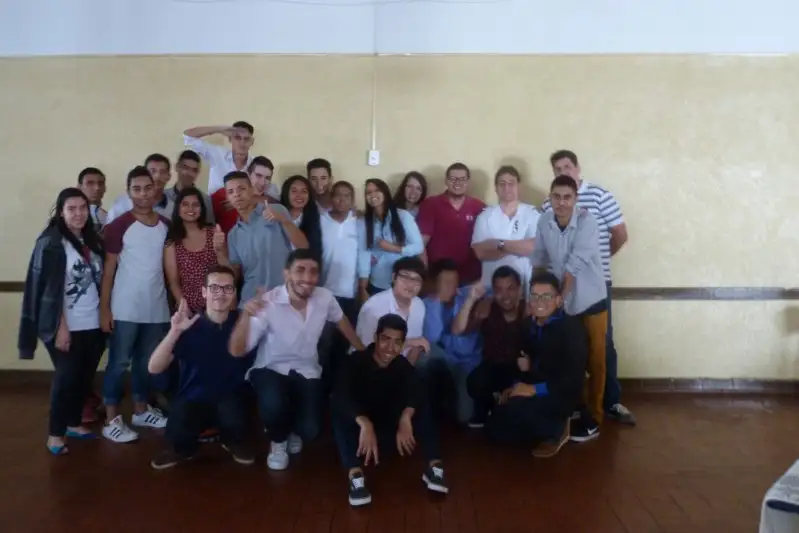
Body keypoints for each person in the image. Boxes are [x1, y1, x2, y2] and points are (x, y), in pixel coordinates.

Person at [228, 249, 364, 471]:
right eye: (300, 270)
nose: (307, 278)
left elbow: (341, 320)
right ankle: (277, 440)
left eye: (313, 272)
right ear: (286, 273)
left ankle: (290, 428)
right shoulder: (268, 302)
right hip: (270, 368)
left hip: (307, 369)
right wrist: (245, 315)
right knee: (273, 404)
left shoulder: (324, 297)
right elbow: (237, 351)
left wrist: (362, 350)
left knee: (310, 430)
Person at [543, 149, 634, 426]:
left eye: (567, 167)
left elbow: (620, 234)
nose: (564, 172)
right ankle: (575, 403)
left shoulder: (600, 195)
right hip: (562, 288)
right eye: (558, 169)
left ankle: (610, 402)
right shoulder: (548, 205)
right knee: (570, 347)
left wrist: (597, 261)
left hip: (596, 284)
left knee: (602, 346)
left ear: (578, 168)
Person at [19, 188, 106, 455]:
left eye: (83, 208)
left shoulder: (92, 239)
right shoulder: (51, 242)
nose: (79, 213)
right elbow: (46, 289)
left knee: (83, 379)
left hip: (93, 322)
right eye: (72, 208)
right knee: (66, 378)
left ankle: (73, 423)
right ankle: (55, 434)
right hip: (65, 325)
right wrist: (61, 327)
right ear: (60, 212)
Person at [332, 313, 448, 507]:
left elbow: (417, 391)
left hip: (389, 433)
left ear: (402, 345)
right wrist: (363, 422)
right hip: (360, 435)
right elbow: (340, 395)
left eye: (397, 342)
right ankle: (355, 476)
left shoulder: (402, 365)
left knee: (423, 404)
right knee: (338, 410)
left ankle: (434, 467)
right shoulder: (355, 361)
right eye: (385, 339)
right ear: (376, 338)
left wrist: (406, 416)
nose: (390, 348)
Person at [148, 266, 255, 469]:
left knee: (236, 417)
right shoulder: (189, 323)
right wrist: (175, 331)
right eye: (214, 288)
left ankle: (232, 441)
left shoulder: (242, 323)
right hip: (192, 396)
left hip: (229, 396)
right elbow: (154, 367)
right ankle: (184, 450)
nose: (220, 294)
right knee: (179, 430)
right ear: (204, 292)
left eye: (227, 288)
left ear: (234, 292)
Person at [532, 175, 608, 441]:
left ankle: (594, 418)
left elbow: (573, 267)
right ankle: (575, 408)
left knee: (596, 361)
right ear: (550, 198)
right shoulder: (544, 221)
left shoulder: (587, 222)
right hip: (562, 303)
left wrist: (556, 301)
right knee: (570, 361)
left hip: (590, 300)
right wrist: (534, 297)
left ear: (575, 199)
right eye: (556, 197)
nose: (561, 202)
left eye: (567, 197)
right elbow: (539, 260)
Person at [100, 166, 170, 443]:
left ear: (155, 189)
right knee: (118, 363)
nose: (143, 194)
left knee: (145, 362)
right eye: (136, 189)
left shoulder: (166, 225)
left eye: (147, 188)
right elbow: (108, 271)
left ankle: (141, 410)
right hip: (125, 307)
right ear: (128, 192)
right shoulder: (118, 226)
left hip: (157, 307)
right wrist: (105, 309)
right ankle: (111, 420)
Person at [485, 272, 588, 458]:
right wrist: (516, 385)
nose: (539, 302)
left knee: (515, 415)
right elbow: (523, 361)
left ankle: (559, 428)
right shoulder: (528, 325)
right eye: (534, 296)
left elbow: (573, 379)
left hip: (559, 392)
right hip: (535, 384)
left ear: (558, 300)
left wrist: (533, 389)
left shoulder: (572, 330)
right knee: (495, 429)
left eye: (546, 296)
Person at [451, 266, 526, 428]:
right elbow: (457, 330)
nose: (505, 296)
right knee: (475, 382)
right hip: (493, 367)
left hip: (522, 369)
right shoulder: (487, 308)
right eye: (499, 290)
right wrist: (471, 300)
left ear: (519, 289)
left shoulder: (528, 310)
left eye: (510, 288)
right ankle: (488, 407)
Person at [221, 171, 308, 304]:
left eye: (241, 189)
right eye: (231, 192)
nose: (237, 194)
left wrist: (284, 220)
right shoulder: (233, 234)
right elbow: (235, 276)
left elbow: (303, 247)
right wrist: (220, 251)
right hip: (251, 302)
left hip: (283, 299)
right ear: (227, 197)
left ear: (251, 190)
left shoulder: (277, 210)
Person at [420, 259, 481, 424]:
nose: (451, 287)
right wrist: (435, 302)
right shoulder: (427, 303)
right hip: (444, 360)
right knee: (424, 354)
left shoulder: (467, 294)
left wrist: (481, 300)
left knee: (464, 416)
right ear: (435, 283)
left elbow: (487, 288)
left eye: (454, 282)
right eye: (446, 282)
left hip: (468, 364)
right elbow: (432, 337)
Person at [318, 181, 361, 393]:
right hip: (325, 293)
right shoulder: (321, 221)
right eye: (338, 195)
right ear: (331, 198)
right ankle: (320, 390)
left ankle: (339, 392)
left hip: (350, 295)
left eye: (347, 195)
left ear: (352, 200)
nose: (342, 200)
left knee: (345, 345)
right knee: (323, 345)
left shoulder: (359, 223)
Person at [471, 165, 539, 297]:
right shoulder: (485, 216)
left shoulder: (532, 214)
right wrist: (519, 248)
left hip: (524, 285)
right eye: (502, 184)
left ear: (519, 186)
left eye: (511, 183)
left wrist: (499, 244)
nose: (507, 188)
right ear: (496, 188)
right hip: (491, 287)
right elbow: (480, 252)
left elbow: (534, 248)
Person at [417, 162, 485, 285]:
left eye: (462, 179)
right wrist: (424, 275)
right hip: (438, 278)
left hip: (471, 278)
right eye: (453, 179)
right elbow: (421, 244)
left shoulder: (479, 207)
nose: (457, 183)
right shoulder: (431, 204)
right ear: (446, 181)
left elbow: (485, 244)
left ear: (468, 182)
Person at [164, 187, 229, 315]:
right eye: (185, 204)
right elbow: (173, 282)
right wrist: (184, 309)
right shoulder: (172, 241)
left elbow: (226, 270)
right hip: (189, 309)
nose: (191, 209)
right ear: (178, 208)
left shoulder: (214, 233)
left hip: (218, 304)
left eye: (195, 205)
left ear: (202, 208)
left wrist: (220, 250)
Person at [355, 257, 429, 364]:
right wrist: (409, 342)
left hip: (400, 366)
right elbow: (368, 348)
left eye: (416, 280)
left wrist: (407, 370)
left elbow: (415, 347)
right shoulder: (374, 307)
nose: (410, 285)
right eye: (405, 277)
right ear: (394, 277)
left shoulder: (419, 305)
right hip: (367, 364)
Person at [357, 178, 423, 299]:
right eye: (368, 192)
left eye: (377, 190)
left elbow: (418, 247)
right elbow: (364, 253)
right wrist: (362, 286)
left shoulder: (402, 216)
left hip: (401, 282)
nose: (373, 195)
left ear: (385, 193)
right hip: (377, 281)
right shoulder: (365, 222)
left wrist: (394, 248)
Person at [183, 121, 278, 198]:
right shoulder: (217, 154)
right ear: (230, 139)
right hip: (214, 208)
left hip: (243, 212)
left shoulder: (255, 165)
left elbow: (271, 193)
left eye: (246, 139)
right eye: (237, 138)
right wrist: (220, 129)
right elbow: (188, 136)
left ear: (251, 142)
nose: (242, 143)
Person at [212, 155, 278, 235]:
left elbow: (279, 205)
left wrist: (252, 199)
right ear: (248, 174)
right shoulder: (222, 194)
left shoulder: (268, 202)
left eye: (267, 178)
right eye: (258, 175)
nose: (263, 183)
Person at [106, 154, 174, 223]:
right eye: (152, 171)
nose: (157, 176)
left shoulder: (173, 208)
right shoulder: (123, 203)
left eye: (162, 172)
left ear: (169, 176)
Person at [281, 175, 323, 262]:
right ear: (286, 193)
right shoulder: (277, 214)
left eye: (304, 191)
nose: (299, 195)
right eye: (294, 191)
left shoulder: (315, 219)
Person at [164, 150, 214, 224]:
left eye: (194, 170)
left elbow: (209, 227)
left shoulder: (205, 200)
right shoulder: (162, 196)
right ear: (177, 167)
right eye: (186, 168)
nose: (189, 174)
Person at [77, 167, 107, 233]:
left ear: (105, 188)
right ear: (79, 187)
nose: (97, 188)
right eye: (90, 183)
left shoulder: (108, 217)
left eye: (100, 183)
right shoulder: (71, 216)